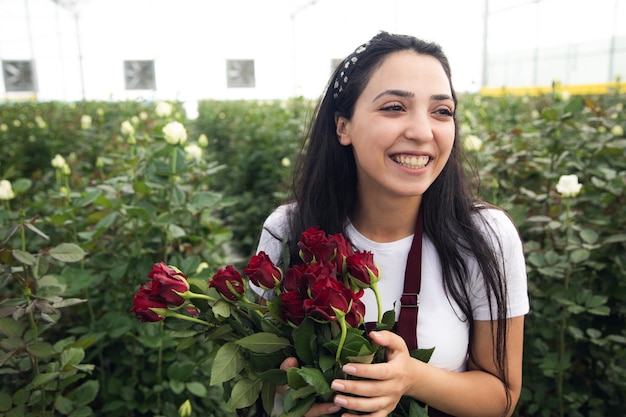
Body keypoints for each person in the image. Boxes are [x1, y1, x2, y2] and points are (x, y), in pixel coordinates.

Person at [253, 31, 529, 417]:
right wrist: (287, 402)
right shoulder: (288, 229)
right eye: (395, 107)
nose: (421, 131)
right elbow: (253, 387)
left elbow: (502, 397)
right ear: (343, 126)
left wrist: (411, 378)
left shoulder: (485, 236)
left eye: (442, 111)